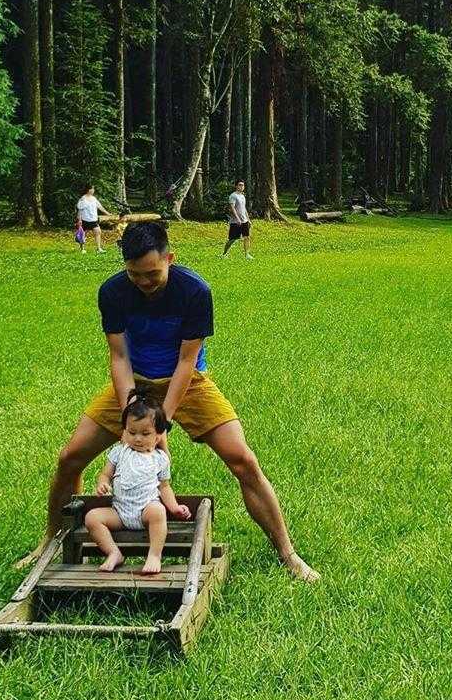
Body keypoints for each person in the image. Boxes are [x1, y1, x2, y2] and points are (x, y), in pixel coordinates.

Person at [17, 220, 318, 583]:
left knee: (244, 460)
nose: (143, 282)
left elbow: (187, 362)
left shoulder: (194, 291)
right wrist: (132, 409)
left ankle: (288, 553)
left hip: (188, 383)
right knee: (70, 458)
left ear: (169, 258)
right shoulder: (112, 292)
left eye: (152, 273)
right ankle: (50, 540)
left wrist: (161, 424)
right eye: (134, 274)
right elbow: (119, 358)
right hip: (135, 385)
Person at [86, 391, 192, 576]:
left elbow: (164, 487)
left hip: (145, 511)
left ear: (158, 436)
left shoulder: (159, 459)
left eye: (145, 433)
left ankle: (154, 555)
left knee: (158, 511)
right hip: (119, 512)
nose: (137, 438)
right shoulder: (119, 452)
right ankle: (113, 552)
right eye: (132, 432)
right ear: (124, 431)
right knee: (92, 518)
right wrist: (102, 484)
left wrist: (174, 508)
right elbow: (104, 475)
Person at [222, 180, 253, 259]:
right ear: (236, 186)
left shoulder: (242, 196)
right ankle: (224, 254)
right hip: (235, 222)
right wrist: (237, 218)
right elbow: (232, 208)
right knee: (232, 239)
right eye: (240, 185)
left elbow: (244, 208)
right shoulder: (233, 196)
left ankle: (247, 254)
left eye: (243, 185)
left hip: (244, 220)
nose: (241, 187)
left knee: (246, 237)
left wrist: (248, 219)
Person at [76, 185, 106, 254]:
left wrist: (108, 213)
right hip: (85, 220)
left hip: (93, 219)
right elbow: (80, 210)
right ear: (89, 190)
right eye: (93, 189)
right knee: (83, 234)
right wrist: (79, 220)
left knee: (98, 232)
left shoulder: (94, 198)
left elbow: (100, 207)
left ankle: (99, 249)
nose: (94, 190)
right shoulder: (83, 199)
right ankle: (82, 249)